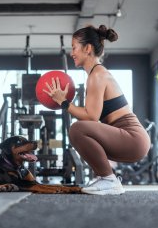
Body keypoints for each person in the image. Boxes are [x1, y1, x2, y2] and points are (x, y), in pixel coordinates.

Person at [43, 24, 150, 195]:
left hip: (133, 138)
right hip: (128, 138)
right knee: (81, 130)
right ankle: (104, 178)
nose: (72, 53)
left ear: (87, 48)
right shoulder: (96, 74)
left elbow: (91, 118)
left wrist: (64, 103)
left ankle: (109, 180)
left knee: (77, 129)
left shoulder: (97, 75)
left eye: (74, 48)